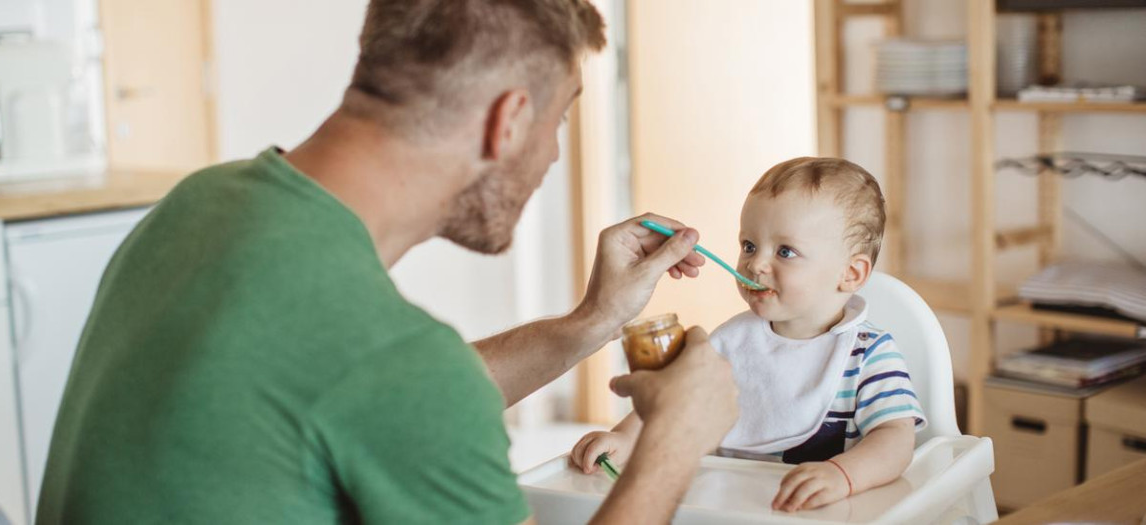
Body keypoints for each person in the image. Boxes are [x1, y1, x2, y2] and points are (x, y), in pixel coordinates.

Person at [36, 1, 737, 524]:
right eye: (557, 122)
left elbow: (373, 395)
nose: (554, 154)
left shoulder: (200, 204)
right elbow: (404, 388)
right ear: (509, 120)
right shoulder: (397, 364)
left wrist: (593, 322)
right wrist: (673, 442)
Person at [571, 157, 926, 512]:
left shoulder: (868, 355)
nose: (755, 264)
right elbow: (674, 403)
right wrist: (624, 438)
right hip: (727, 508)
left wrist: (842, 475)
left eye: (785, 251)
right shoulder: (731, 342)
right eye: (749, 245)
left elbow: (896, 439)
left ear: (850, 273)